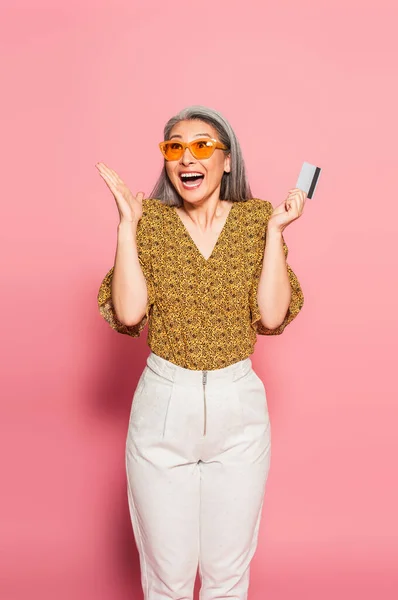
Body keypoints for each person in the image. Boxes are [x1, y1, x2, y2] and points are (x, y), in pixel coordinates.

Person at [96, 105, 306, 600]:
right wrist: (127, 225)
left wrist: (276, 234)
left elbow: (272, 317)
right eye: (175, 147)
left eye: (202, 145)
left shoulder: (258, 219)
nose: (187, 157)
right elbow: (128, 315)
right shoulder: (150, 221)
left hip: (238, 406)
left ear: (227, 160)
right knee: (167, 575)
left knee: (227, 575)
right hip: (164, 403)